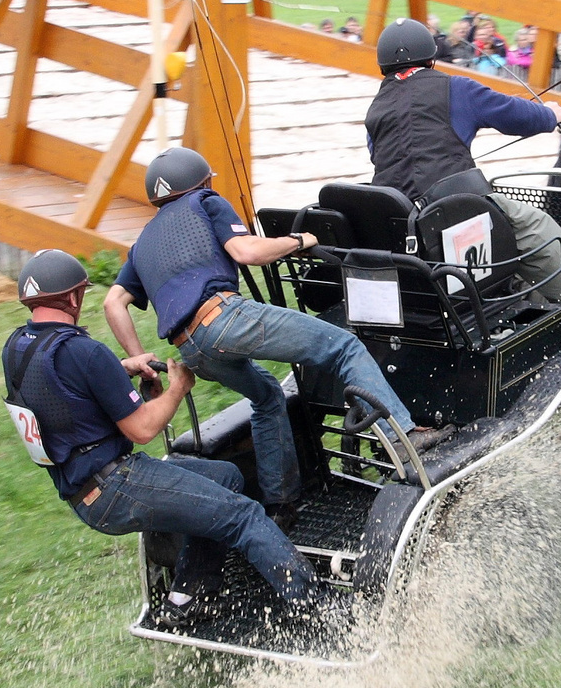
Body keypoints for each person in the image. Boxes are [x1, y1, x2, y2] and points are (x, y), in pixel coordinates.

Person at [105, 148, 433, 526]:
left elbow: (114, 303)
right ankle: (404, 439)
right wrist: (301, 239)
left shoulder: (142, 242)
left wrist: (140, 357)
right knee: (343, 346)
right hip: (224, 318)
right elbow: (247, 252)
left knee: (266, 396)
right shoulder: (206, 202)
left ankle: (280, 505)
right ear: (203, 181)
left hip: (190, 349)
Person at [9, 250, 321, 627]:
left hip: (81, 489)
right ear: (74, 298)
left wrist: (119, 369)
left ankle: (189, 597)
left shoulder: (19, 348)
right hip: (117, 485)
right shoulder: (84, 352)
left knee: (225, 478)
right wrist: (178, 387)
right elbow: (141, 429)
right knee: (242, 515)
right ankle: (317, 607)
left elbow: (62, 392)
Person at [366, 19, 561, 327]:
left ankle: (516, 287)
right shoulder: (456, 88)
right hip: (452, 210)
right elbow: (516, 116)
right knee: (533, 225)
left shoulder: (375, 109)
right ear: (431, 58)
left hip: (403, 218)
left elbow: (382, 157)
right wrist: (549, 114)